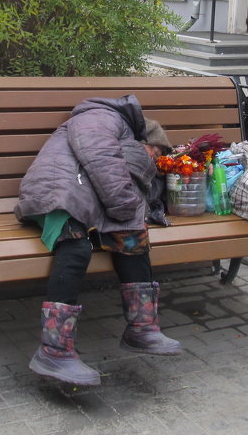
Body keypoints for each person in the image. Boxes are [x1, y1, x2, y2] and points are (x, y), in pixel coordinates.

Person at [14, 95, 181, 387]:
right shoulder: (102, 117)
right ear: (145, 140)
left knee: (131, 238)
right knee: (77, 247)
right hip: (56, 191)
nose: (153, 161)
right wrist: (126, 205)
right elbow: (101, 159)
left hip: (87, 195)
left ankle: (142, 328)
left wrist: (135, 210)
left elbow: (121, 184)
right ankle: (53, 350)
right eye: (154, 154)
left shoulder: (122, 135)